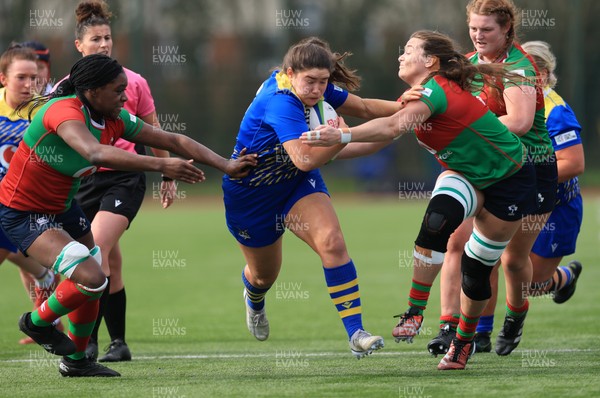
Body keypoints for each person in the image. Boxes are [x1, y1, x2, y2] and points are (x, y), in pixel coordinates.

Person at [1, 53, 256, 377]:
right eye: (117, 89)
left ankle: (77, 362)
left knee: (95, 274)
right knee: (93, 278)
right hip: (21, 210)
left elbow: (173, 139)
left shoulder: (114, 118)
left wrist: (227, 165)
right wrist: (162, 165)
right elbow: (93, 152)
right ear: (93, 91)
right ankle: (36, 322)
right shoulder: (64, 111)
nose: (125, 95)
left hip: (63, 208)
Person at [302, 30, 538, 370]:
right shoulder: (419, 94)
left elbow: (392, 126)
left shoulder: (436, 89)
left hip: (511, 180)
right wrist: (329, 151)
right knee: (436, 222)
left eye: (409, 50)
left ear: (430, 61)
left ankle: (462, 342)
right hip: (465, 175)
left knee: (475, 270)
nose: (401, 55)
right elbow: (379, 131)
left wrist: (339, 134)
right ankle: (414, 312)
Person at [223, 36, 415, 358]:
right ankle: (254, 299)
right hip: (252, 195)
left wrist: (410, 110)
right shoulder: (281, 101)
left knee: (332, 242)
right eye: (310, 81)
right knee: (263, 275)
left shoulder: (316, 90)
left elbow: (366, 107)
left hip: (296, 184)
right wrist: (341, 136)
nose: (316, 90)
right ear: (290, 73)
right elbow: (305, 158)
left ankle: (356, 333)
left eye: (323, 82)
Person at [426, 0, 558, 357]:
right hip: (484, 165)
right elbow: (440, 101)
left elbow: (519, 122)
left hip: (529, 168)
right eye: (473, 28)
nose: (479, 35)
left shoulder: (518, 67)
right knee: (456, 242)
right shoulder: (467, 64)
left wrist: (466, 131)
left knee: (512, 260)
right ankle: (450, 328)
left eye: (487, 30)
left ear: (507, 30)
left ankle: (515, 315)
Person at [452, 40, 585, 354]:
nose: (515, 78)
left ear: (545, 75)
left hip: (557, 206)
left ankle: (562, 279)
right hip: (516, 196)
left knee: (530, 281)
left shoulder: (555, 109)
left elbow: (575, 163)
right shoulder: (500, 99)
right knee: (492, 258)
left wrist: (527, 172)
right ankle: (481, 333)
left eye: (528, 73)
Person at [64, 0, 176, 362]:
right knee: (110, 259)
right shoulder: (66, 88)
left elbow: (156, 132)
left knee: (94, 251)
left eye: (108, 38)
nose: (104, 44)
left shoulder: (134, 83)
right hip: (82, 182)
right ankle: (120, 343)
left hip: (124, 179)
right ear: (79, 45)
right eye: (95, 39)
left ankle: (87, 344)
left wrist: (168, 173)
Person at [0, 44, 64, 342]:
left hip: (25, 202)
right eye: (21, 78)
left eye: (34, 78)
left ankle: (51, 316)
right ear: (3, 79)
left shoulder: (44, 111)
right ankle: (44, 279)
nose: (29, 85)